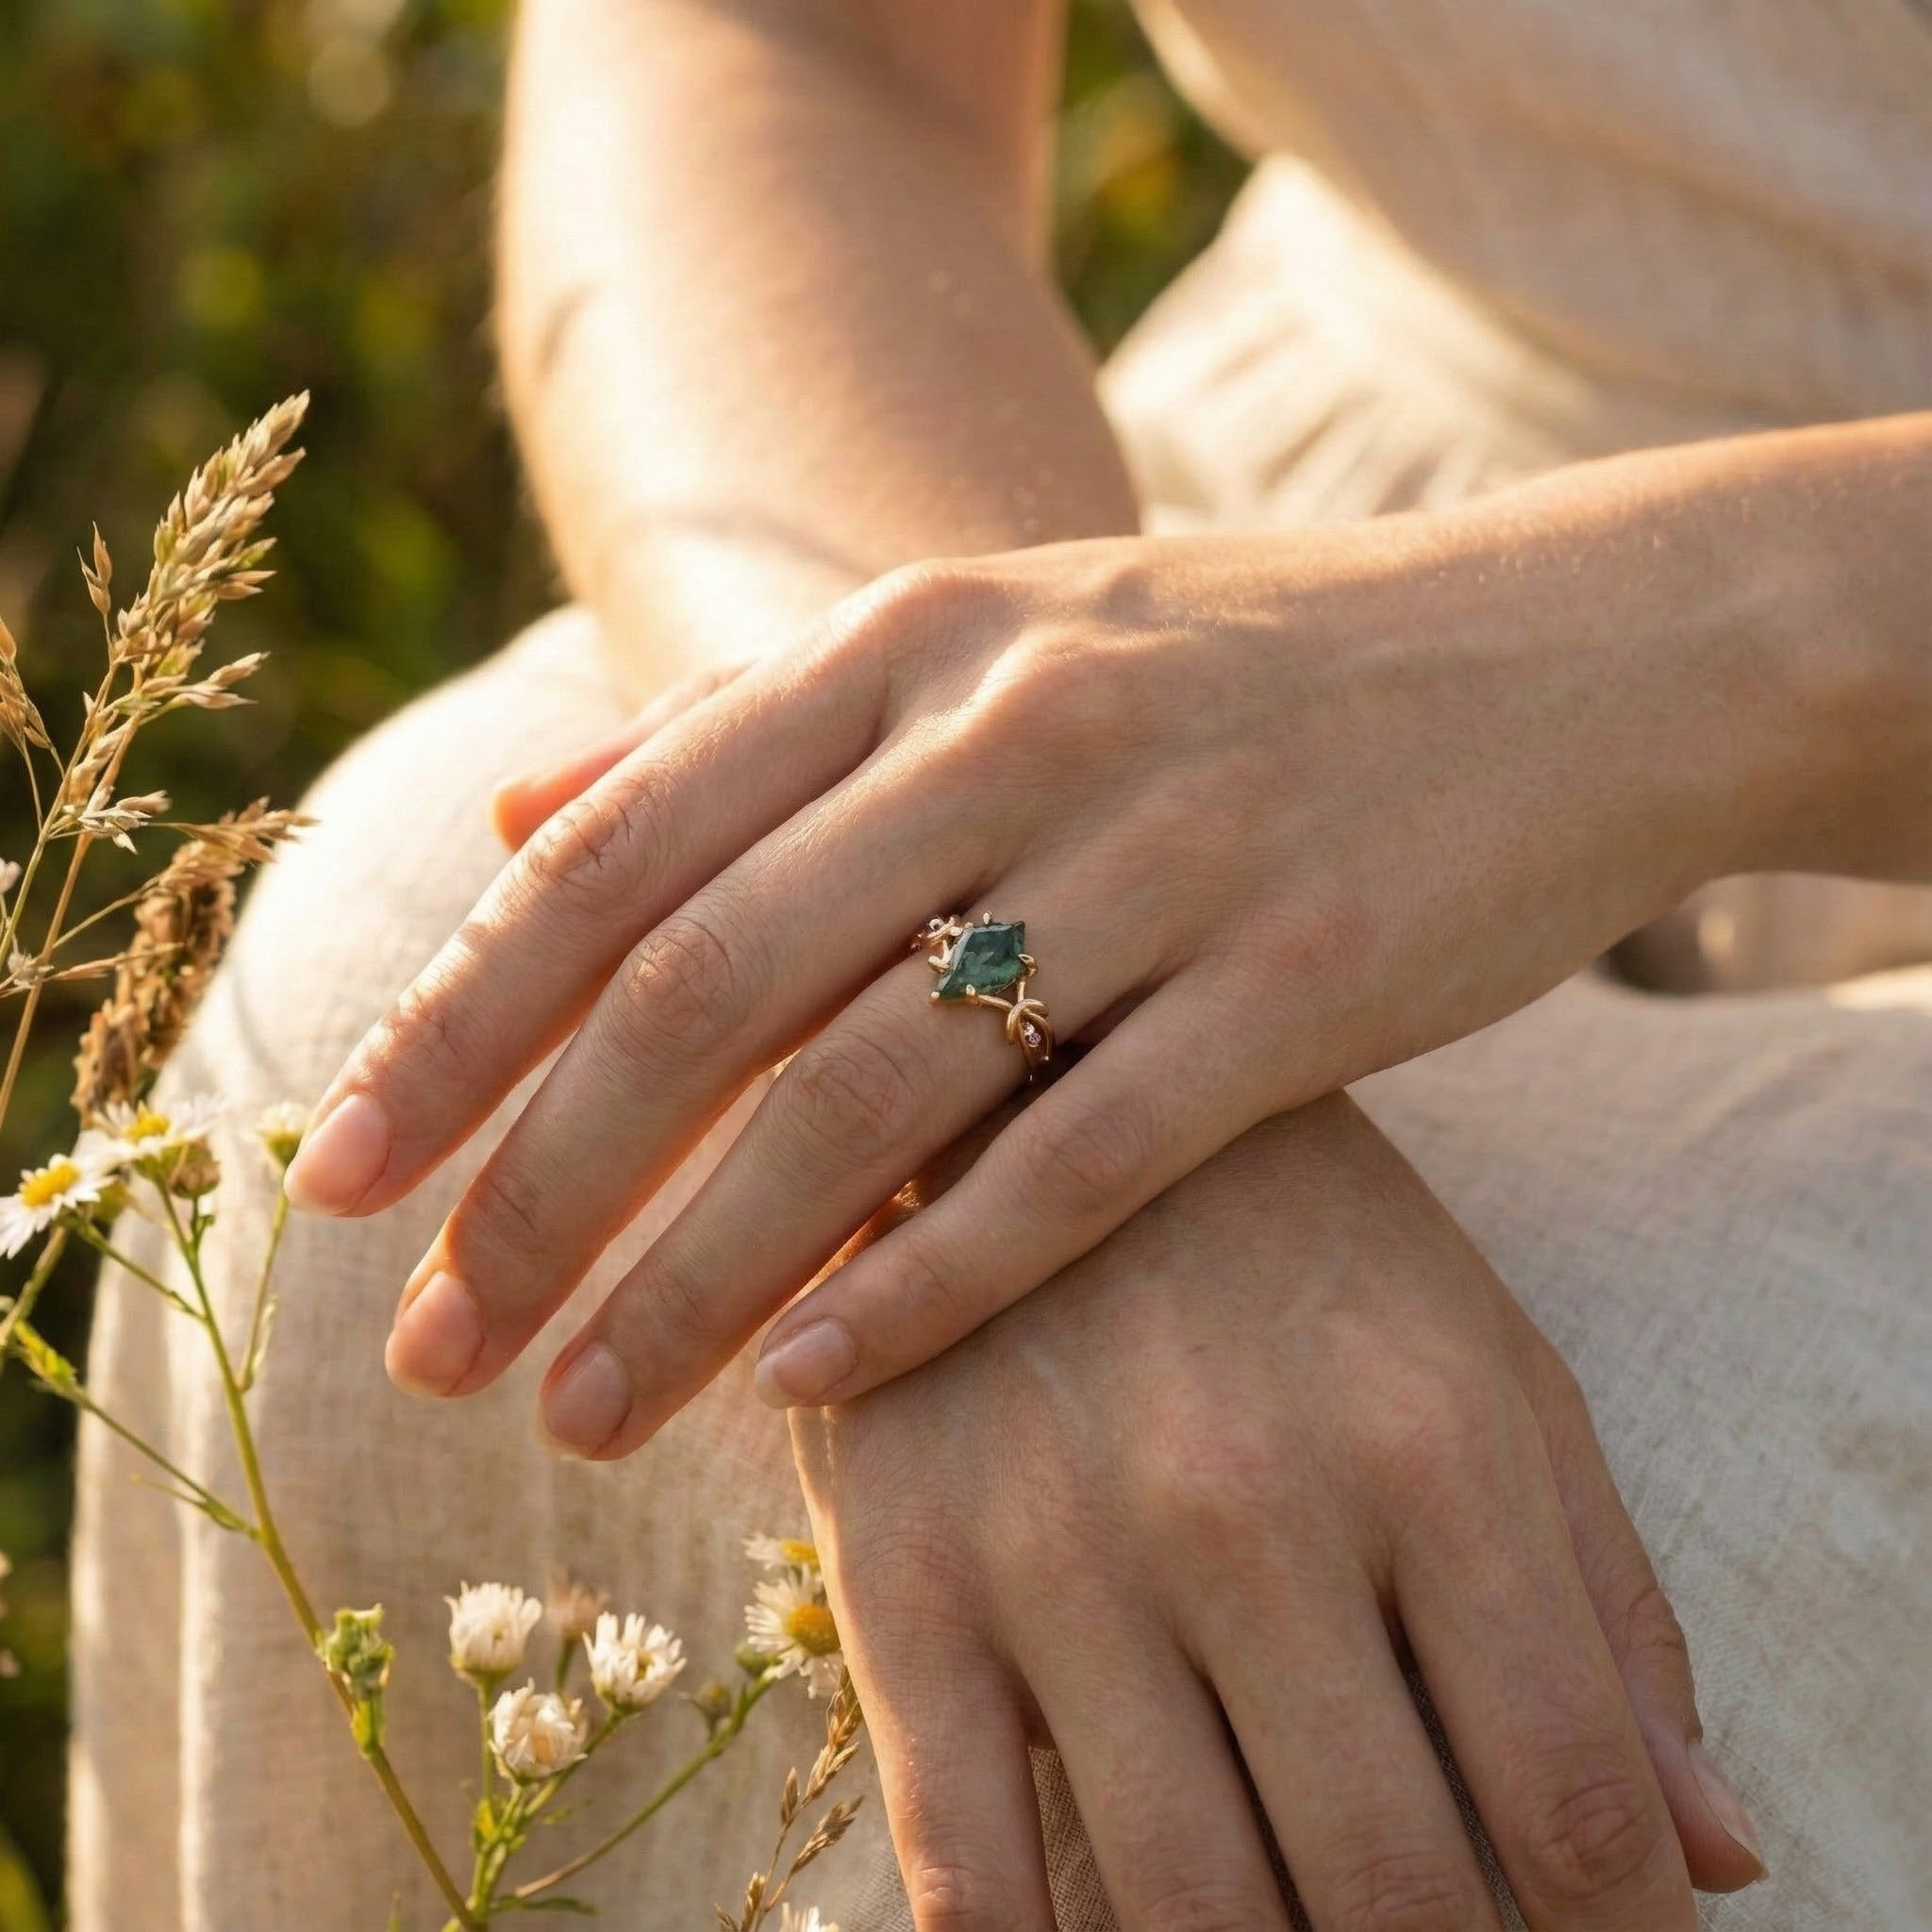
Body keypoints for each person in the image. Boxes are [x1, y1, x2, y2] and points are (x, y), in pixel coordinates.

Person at [71, 4, 1932, 1927]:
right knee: (412, 1026)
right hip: (1237, 568)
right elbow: (789, 41)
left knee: (1530, 1635)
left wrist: (1626, 660)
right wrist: (966, 931)